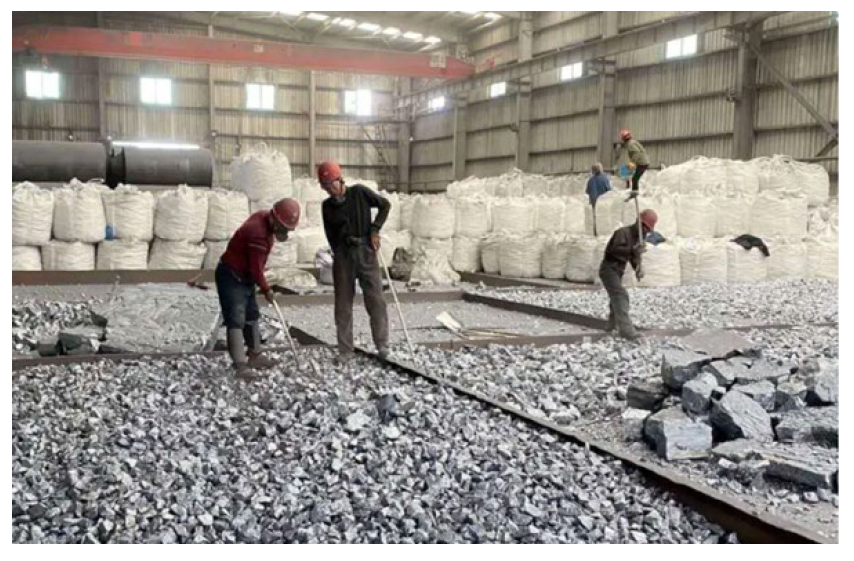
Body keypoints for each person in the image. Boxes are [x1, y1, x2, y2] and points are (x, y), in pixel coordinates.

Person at [215, 198, 300, 379]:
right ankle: (240, 366)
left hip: (244, 275)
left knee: (252, 314)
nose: (285, 232)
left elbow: (255, 268)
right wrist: (267, 289)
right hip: (231, 275)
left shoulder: (263, 217)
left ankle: (255, 355)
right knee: (236, 318)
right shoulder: (258, 235)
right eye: (284, 228)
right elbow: (256, 268)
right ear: (276, 221)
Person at [317, 161, 391, 362]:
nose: (329, 190)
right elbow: (329, 234)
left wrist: (375, 229)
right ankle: (345, 350)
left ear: (340, 179)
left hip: (366, 250)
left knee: (375, 299)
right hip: (343, 256)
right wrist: (339, 254)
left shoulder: (359, 193)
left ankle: (382, 344)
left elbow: (385, 205)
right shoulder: (327, 207)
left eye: (331, 184)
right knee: (342, 304)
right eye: (325, 187)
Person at [599, 208, 657, 341]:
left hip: (618, 270)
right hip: (609, 269)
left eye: (648, 229)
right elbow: (613, 250)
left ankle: (611, 327)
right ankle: (627, 331)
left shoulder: (638, 239)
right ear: (638, 222)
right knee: (620, 295)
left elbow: (632, 257)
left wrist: (637, 268)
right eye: (645, 227)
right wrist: (633, 250)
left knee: (616, 298)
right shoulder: (622, 233)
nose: (647, 231)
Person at [619, 129, 650, 195]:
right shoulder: (632, 142)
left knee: (634, 179)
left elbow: (636, 152)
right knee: (632, 176)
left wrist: (632, 163)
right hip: (643, 162)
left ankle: (634, 194)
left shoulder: (630, 144)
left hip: (642, 163)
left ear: (623, 139)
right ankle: (632, 191)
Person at [586, 162, 612, 235]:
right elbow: (609, 190)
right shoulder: (605, 178)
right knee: (603, 218)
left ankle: (595, 233)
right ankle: (602, 233)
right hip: (603, 203)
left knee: (594, 218)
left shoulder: (590, 180)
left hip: (593, 202)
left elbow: (587, 191)